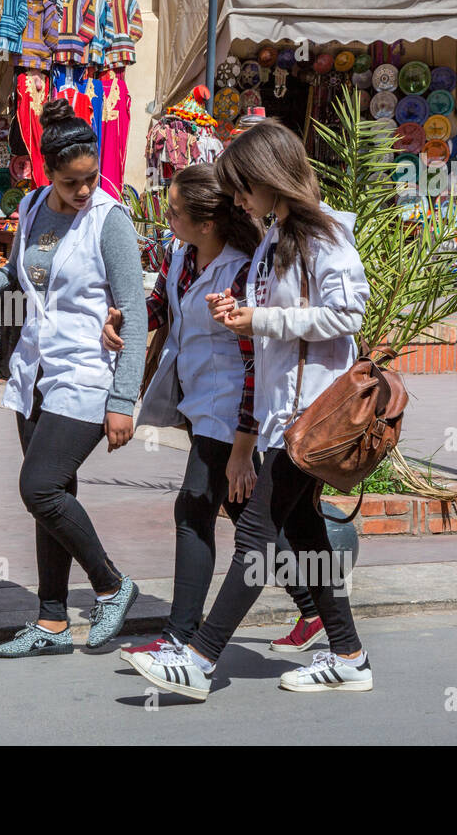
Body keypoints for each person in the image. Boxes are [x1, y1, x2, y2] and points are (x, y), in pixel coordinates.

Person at [129, 118, 373, 700]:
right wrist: (238, 311)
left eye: (244, 186)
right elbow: (267, 330)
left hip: (313, 416)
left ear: (271, 179)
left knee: (256, 532)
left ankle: (199, 656)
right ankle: (349, 655)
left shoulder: (325, 238)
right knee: (307, 536)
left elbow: (348, 315)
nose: (239, 199)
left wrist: (260, 319)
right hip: (279, 421)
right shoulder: (272, 239)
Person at [101, 163, 327, 662]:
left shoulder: (244, 270)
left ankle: (181, 635)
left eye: (176, 211)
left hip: (231, 406)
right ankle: (315, 606)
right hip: (197, 398)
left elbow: (255, 362)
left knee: (194, 507)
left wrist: (244, 447)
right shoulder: (180, 255)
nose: (168, 217)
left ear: (207, 222)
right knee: (245, 512)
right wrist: (126, 318)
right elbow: (161, 304)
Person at [0, 99, 147, 658]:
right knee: (55, 498)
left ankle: (113, 585)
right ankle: (50, 622)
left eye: (91, 179)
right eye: (72, 182)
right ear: (48, 173)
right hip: (35, 373)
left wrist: (123, 399)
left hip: (88, 375)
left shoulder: (109, 221)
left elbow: (134, 312)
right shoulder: (34, 207)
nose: (84, 190)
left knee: (38, 486)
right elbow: (17, 269)